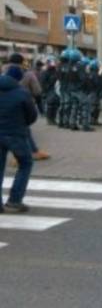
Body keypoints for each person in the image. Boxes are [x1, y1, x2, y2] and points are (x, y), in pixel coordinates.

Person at [0, 65, 38, 213]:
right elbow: (32, 116)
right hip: (16, 134)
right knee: (25, 163)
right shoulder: (22, 93)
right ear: (19, 78)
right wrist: (22, 124)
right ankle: (14, 201)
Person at [4, 53, 49, 160]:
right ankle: (27, 154)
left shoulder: (3, 72)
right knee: (22, 129)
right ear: (22, 62)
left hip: (3, 106)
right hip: (22, 105)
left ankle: (33, 151)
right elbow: (37, 91)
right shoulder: (27, 74)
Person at [40, 57, 60, 125]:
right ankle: (49, 119)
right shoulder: (45, 72)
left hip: (55, 90)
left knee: (55, 105)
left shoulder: (56, 72)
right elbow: (43, 83)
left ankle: (53, 119)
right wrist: (45, 90)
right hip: (49, 90)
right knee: (50, 105)